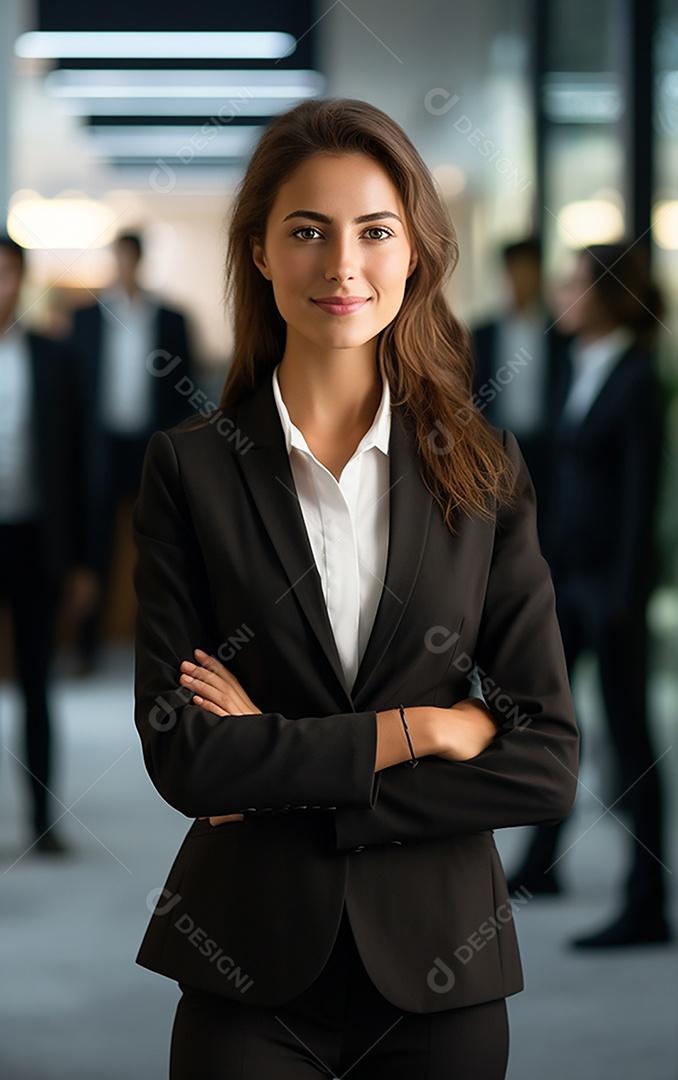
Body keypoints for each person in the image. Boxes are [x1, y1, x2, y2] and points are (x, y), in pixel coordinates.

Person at [133, 99, 579, 1079]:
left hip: (440, 973)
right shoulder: (191, 470)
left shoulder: (485, 470)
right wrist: (422, 731)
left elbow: (545, 763)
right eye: (307, 231)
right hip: (245, 972)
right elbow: (185, 756)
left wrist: (286, 773)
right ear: (257, 251)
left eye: (375, 231)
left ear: (413, 250)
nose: (343, 265)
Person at [507, 243, 671, 949]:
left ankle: (648, 901)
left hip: (612, 589)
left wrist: (626, 597)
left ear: (607, 295)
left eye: (574, 283)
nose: (562, 294)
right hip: (566, 576)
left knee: (630, 741)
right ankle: (543, 863)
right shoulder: (579, 365)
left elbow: (641, 500)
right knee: (552, 723)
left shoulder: (637, 378)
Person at [0, 235, 96, 853]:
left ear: (23, 282)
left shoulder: (53, 357)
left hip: (35, 541)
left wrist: (85, 562)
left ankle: (41, 820)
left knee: (37, 684)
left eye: (8, 275)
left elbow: (80, 465)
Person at [67, 232, 195, 669]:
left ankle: (162, 651)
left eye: (129, 259)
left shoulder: (170, 318)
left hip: (152, 445)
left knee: (159, 546)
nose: (123, 266)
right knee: (95, 546)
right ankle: (87, 649)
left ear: (139, 261)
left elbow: (186, 390)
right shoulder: (87, 317)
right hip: (100, 448)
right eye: (117, 259)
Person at [471, 238, 564, 519]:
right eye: (514, 270)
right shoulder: (483, 334)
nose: (520, 279)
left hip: (547, 450)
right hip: (498, 450)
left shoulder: (559, 334)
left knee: (544, 523)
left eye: (527, 270)